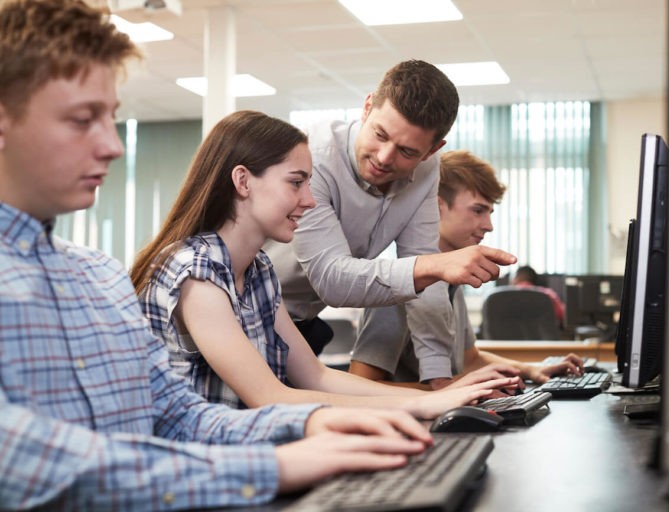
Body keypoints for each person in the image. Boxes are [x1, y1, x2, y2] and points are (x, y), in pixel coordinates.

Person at [0, 1, 447, 508]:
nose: (113, 146)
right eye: (83, 120)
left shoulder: (101, 278)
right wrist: (285, 462)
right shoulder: (188, 268)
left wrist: (322, 421)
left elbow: (180, 415)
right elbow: (36, 465)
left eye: (112, 119)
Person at [130, 110, 518, 420]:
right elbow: (269, 397)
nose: (310, 201)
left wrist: (443, 394)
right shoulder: (197, 271)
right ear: (243, 182)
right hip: (197, 468)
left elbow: (315, 376)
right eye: (296, 183)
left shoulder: (259, 270)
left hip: (243, 449)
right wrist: (421, 404)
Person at [264, 60, 517, 390]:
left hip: (300, 325)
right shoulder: (316, 159)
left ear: (432, 150)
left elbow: (426, 282)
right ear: (367, 107)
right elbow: (332, 280)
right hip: (246, 314)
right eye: (380, 135)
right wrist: (435, 265)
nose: (384, 157)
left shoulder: (427, 172)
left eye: (407, 151)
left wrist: (440, 382)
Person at [349, 150, 583, 385]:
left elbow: (470, 359)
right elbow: (361, 386)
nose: (489, 226)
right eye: (478, 210)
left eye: (490, 213)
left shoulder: (451, 283)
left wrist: (531, 370)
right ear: (436, 207)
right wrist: (450, 391)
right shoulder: (398, 286)